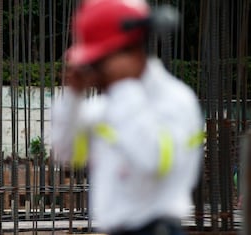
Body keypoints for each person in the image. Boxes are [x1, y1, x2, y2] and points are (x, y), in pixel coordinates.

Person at [52, 0, 204, 235]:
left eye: (97, 62)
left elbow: (153, 161)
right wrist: (73, 96)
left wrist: (124, 86)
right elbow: (65, 152)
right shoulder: (106, 106)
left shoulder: (175, 101)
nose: (93, 71)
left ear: (127, 52)